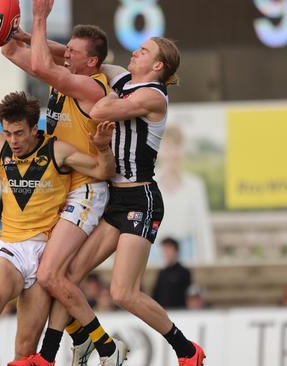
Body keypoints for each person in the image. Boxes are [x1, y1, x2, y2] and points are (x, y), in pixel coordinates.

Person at [0, 51, 115, 366]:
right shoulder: (2, 147)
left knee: (25, 352)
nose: (13, 140)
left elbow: (103, 171)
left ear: (34, 128)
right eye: (8, 132)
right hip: (10, 247)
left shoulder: (58, 151)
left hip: (44, 253)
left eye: (19, 133)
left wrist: (102, 146)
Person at [51, 35, 206, 366]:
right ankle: (83, 340)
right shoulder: (120, 78)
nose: (135, 52)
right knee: (68, 274)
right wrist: (27, 39)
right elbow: (83, 58)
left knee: (123, 292)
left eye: (144, 51)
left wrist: (104, 94)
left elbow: (101, 109)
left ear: (158, 65)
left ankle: (187, 351)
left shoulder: (153, 96)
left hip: (141, 198)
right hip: (116, 200)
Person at [2, 2, 124, 364]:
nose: (64, 53)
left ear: (91, 64)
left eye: (72, 51)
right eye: (65, 48)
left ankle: (107, 347)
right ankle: (68, 345)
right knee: (55, 275)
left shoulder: (90, 88)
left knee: (51, 273)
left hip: (87, 188)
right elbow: (13, 52)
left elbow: (40, 63)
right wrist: (8, 32)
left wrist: (39, 17)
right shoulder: (68, 73)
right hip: (63, 187)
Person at [155, 125, 214, 264]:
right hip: (155, 256)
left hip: (187, 256)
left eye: (176, 147)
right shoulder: (149, 184)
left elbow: (202, 229)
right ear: (159, 150)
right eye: (167, 147)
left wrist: (207, 263)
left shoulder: (195, 186)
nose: (172, 154)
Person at [152, 237, 192, 309]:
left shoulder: (185, 272)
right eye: (164, 249)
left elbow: (188, 296)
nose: (166, 253)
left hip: (180, 313)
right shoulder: (162, 273)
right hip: (163, 313)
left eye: (168, 249)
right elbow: (156, 295)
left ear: (176, 250)